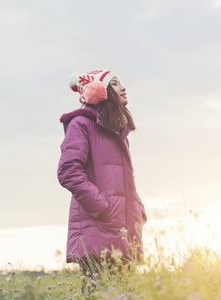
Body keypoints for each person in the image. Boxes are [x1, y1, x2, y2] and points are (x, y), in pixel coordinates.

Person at [57, 69, 147, 284]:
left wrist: (138, 209)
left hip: (124, 231)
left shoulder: (118, 132)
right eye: (115, 83)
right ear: (100, 92)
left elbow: (123, 182)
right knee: (96, 294)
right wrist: (102, 208)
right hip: (99, 227)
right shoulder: (81, 124)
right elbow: (68, 171)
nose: (123, 88)